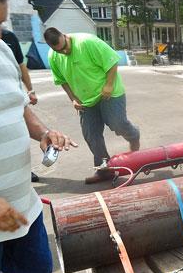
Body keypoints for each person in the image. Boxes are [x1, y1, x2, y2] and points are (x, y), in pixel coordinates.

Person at [0, 0, 77, 273]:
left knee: (37, 272)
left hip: (22, 207)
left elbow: (20, 109)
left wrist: (44, 132)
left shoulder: (3, 51)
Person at [44, 27, 141, 184]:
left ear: (65, 36)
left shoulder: (87, 42)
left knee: (118, 124)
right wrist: (73, 99)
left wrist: (109, 85)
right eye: (59, 51)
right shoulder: (53, 56)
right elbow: (61, 80)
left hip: (109, 93)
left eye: (65, 46)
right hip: (86, 101)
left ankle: (134, 135)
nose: (64, 51)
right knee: (91, 135)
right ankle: (104, 170)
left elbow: (112, 60)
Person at [1, 28, 40, 182]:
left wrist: (30, 90)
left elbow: (21, 65)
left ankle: (24, 171)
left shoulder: (8, 37)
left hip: (13, 98)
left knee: (18, 135)